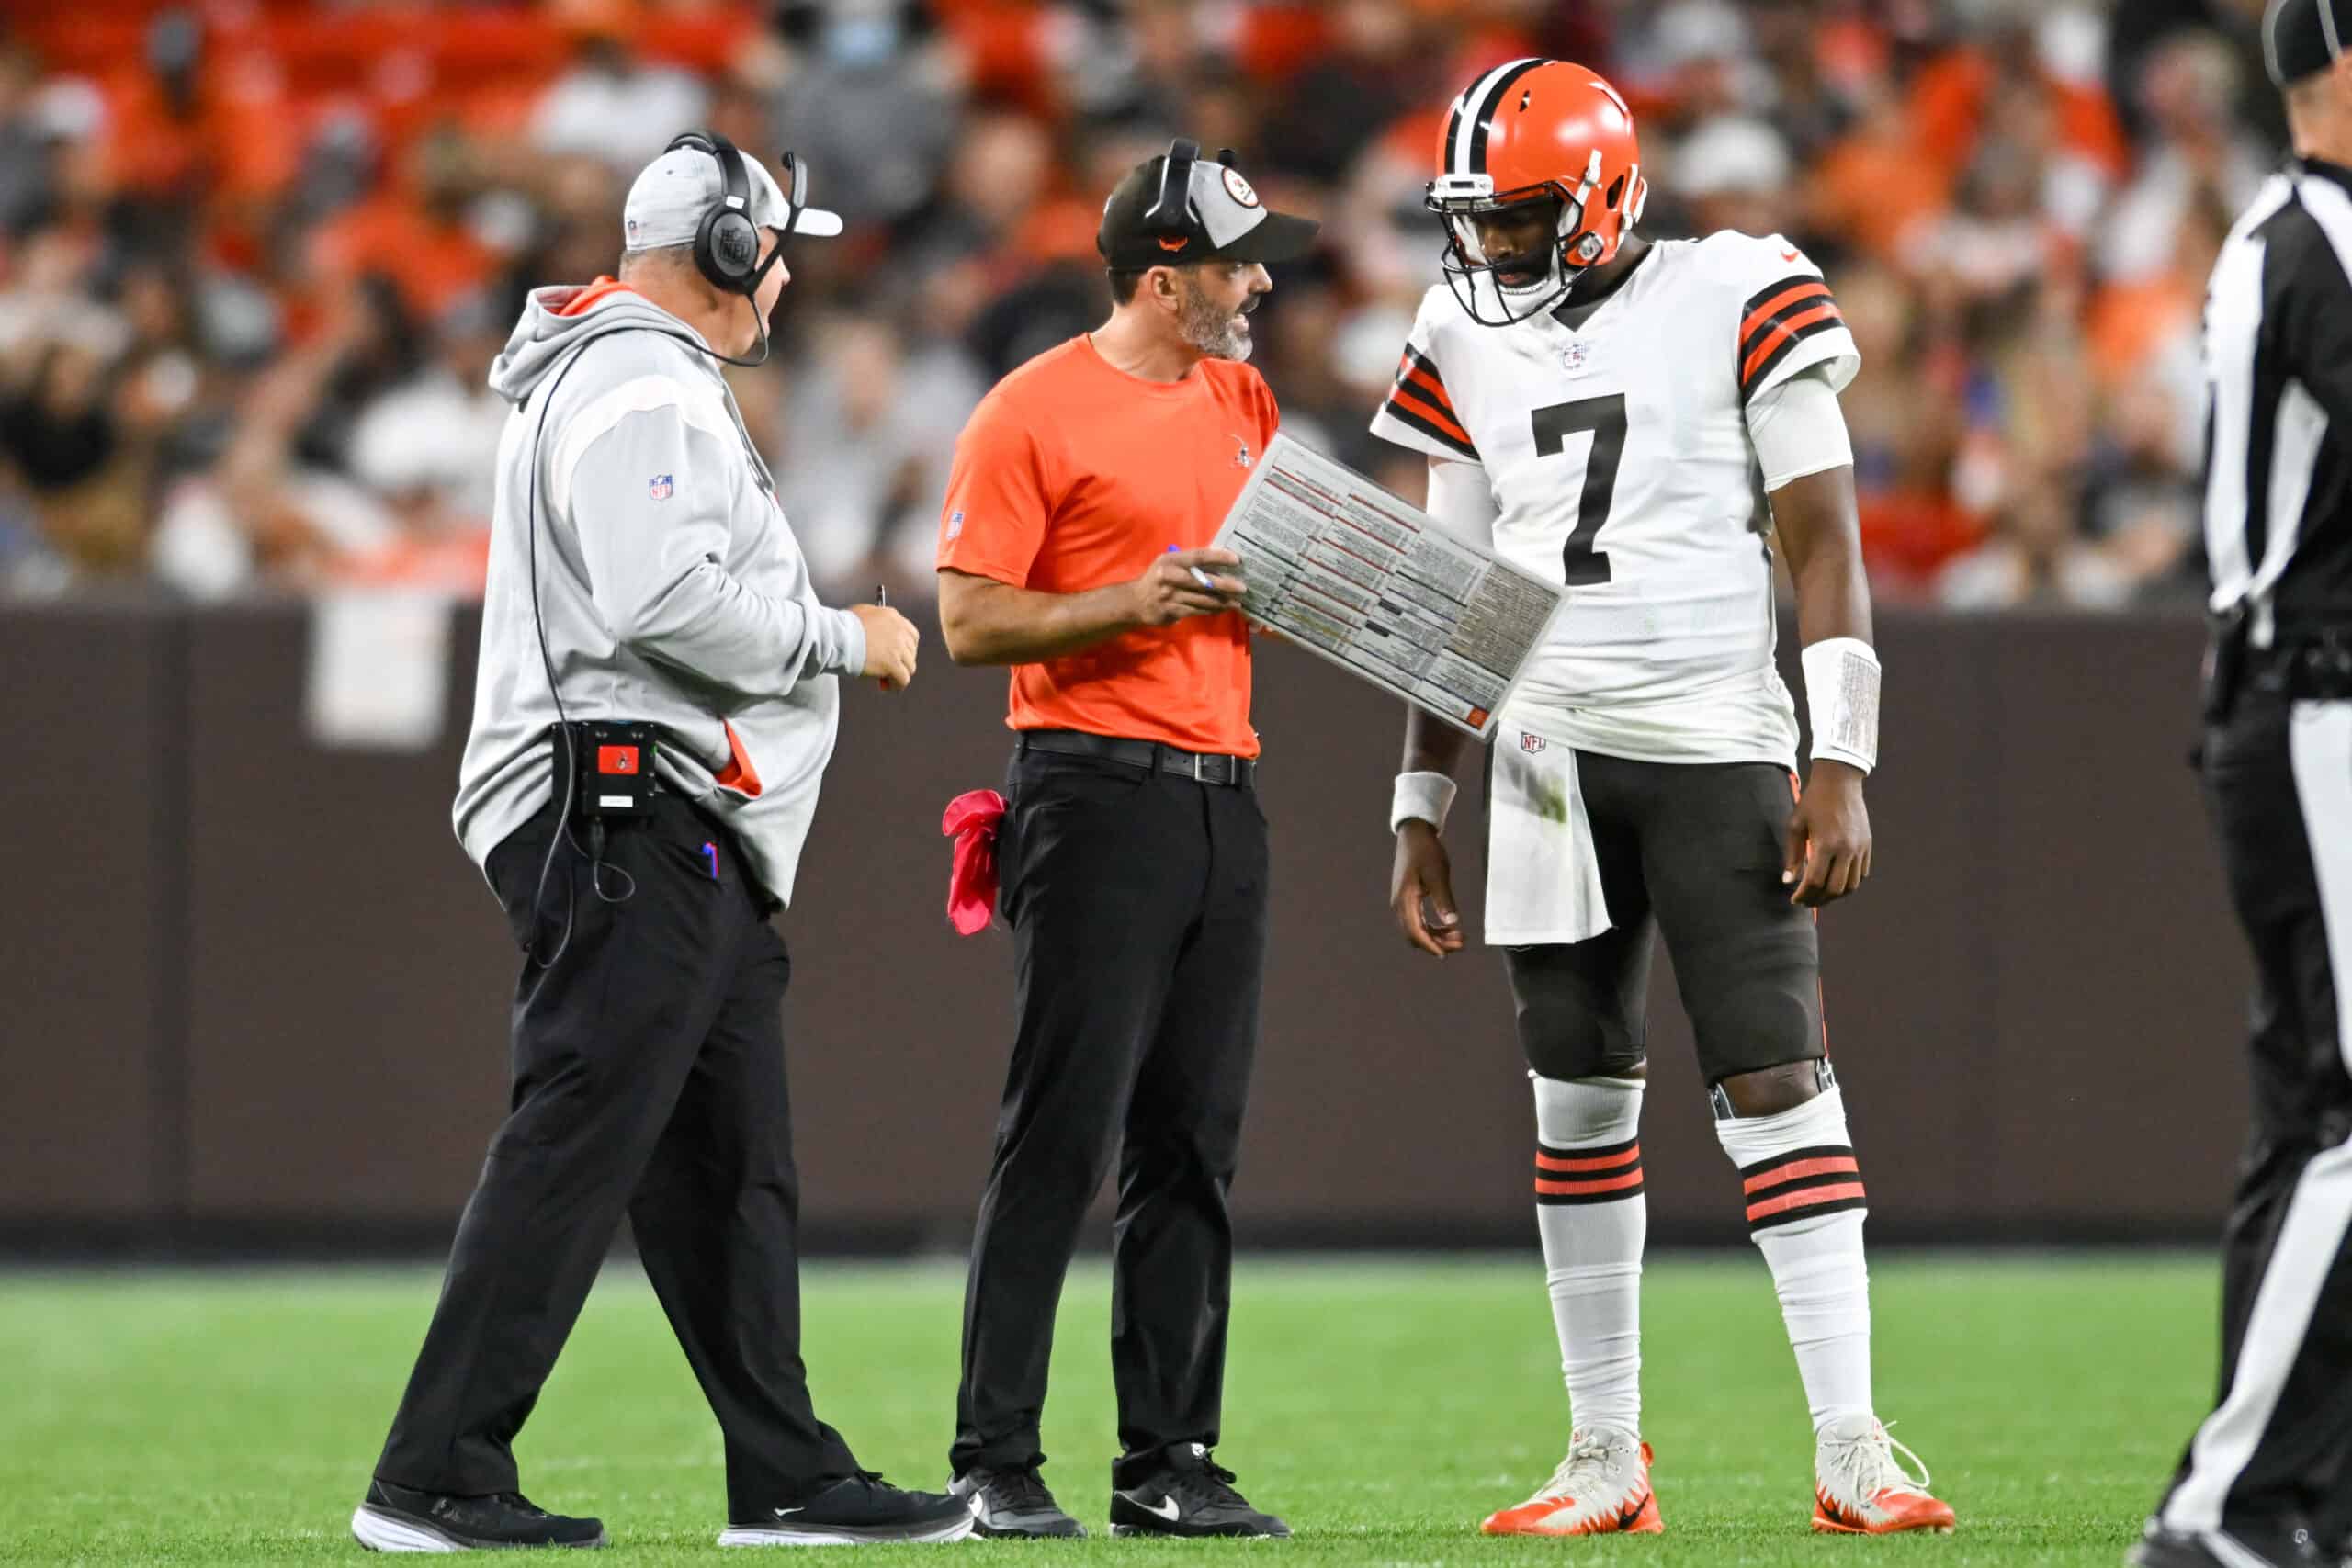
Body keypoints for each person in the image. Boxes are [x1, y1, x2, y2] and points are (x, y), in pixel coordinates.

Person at [351, 131, 969, 1552]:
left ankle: (788, 1473)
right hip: (626, 808)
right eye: (776, 246)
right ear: (731, 251)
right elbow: (656, 599)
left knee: (727, 1165)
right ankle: (434, 1471)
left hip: (667, 813)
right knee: (577, 1134)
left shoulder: (625, 372)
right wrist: (843, 637)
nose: (791, 274)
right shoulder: (640, 378)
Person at [1369, 60, 1955, 1539]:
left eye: (1517, 219)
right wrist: (1418, 797)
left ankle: (1852, 1444)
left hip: (1711, 733)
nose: (1491, 250)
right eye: (1479, 222)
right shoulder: (1459, 330)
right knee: (1575, 1098)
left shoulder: (1741, 284)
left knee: (1773, 1078)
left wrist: (1844, 755)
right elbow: (1458, 589)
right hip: (1546, 754)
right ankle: (1604, 1454)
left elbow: (1822, 539)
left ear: (1605, 190)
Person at [932, 140, 1315, 1540]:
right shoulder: (1031, 412)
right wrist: (1127, 603)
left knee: (1191, 1143)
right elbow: (969, 620)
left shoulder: (1243, 397)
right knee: (1063, 1132)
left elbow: (1261, 583)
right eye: (1235, 262)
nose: (1260, 280)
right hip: (1091, 791)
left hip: (1223, 790)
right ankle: (994, 1458)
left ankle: (1168, 1458)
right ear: (1166, 280)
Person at [2132, 6, 2352, 1565]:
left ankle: (2305, 1501)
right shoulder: (2319, 236)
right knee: (2345, 1118)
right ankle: (2231, 1505)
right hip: (2320, 699)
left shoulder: (2294, 228)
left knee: (2310, 1121)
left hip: (2290, 704)